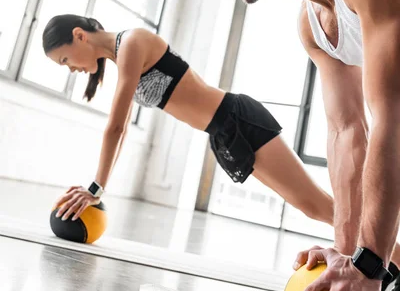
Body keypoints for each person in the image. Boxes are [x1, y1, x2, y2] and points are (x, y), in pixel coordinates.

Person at [194, 0, 400, 291]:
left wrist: (370, 264)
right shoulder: (312, 26)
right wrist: (346, 253)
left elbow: (391, 116)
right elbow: (349, 131)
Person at [43, 14, 334, 229]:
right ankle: (375, 259)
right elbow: (122, 134)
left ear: (80, 35)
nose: (70, 69)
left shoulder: (132, 43)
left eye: (65, 60)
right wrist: (99, 187)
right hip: (222, 135)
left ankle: (373, 257)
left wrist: (95, 189)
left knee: (315, 205)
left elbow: (115, 127)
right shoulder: (122, 59)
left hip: (238, 120)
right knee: (311, 206)